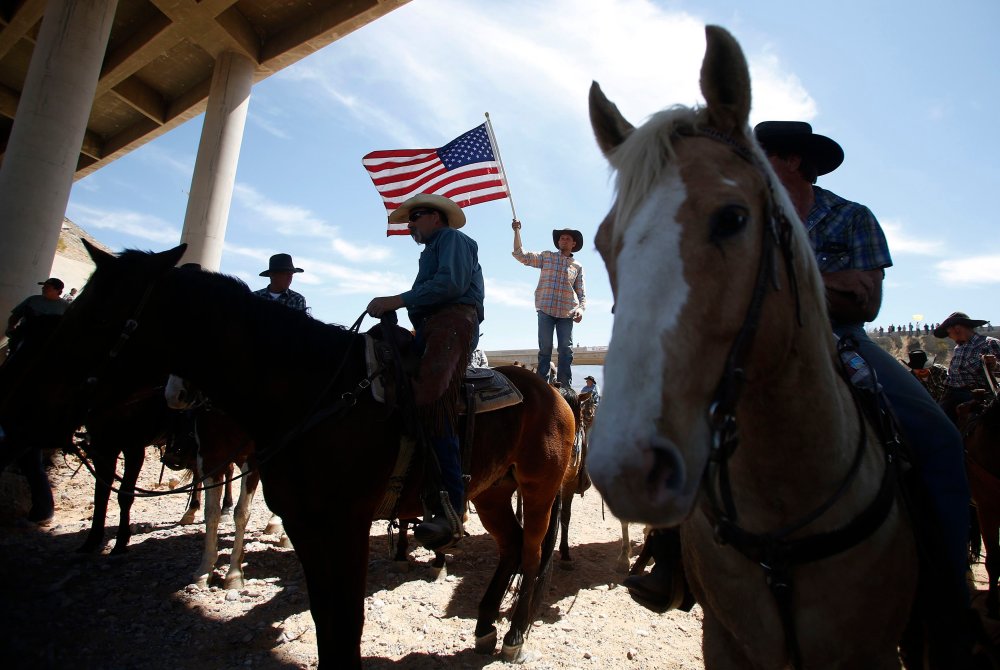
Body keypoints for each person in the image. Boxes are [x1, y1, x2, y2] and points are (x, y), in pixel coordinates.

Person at [366, 193, 484, 551]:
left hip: (454, 322)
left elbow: (450, 285)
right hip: (432, 325)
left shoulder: (452, 239)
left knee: (432, 394)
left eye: (414, 218)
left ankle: (450, 504)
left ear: (435, 216)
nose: (410, 225)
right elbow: (426, 293)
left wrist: (396, 301)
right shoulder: (428, 251)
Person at [512, 221, 586, 389]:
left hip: (567, 313)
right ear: (558, 242)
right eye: (561, 238)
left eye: (567, 238)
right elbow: (520, 255)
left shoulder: (577, 266)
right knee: (545, 349)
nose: (564, 240)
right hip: (545, 309)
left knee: (566, 350)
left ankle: (564, 387)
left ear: (573, 244)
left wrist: (581, 309)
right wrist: (517, 231)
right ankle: (541, 387)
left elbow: (581, 294)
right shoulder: (547, 257)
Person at [934, 311, 1000, 423]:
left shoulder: (989, 343)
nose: (949, 337)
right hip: (950, 395)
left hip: (975, 395)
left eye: (949, 333)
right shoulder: (958, 348)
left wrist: (995, 365)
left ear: (957, 328)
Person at [5, 277, 69, 356]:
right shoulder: (32, 300)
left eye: (47, 287)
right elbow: (16, 315)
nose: (43, 288)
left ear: (58, 291)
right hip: (23, 336)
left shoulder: (65, 306)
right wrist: (10, 327)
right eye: (43, 286)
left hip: (43, 342)